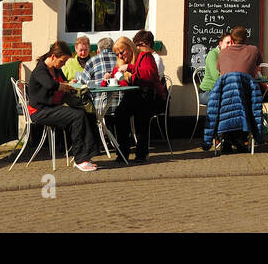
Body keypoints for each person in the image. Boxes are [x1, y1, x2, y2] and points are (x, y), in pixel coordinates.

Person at [27, 40, 100, 172]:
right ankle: (80, 159)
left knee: (88, 113)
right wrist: (65, 86)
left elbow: (62, 82)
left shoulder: (56, 69)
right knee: (77, 116)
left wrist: (69, 83)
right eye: (63, 61)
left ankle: (88, 154)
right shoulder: (40, 70)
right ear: (53, 56)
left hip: (53, 107)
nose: (64, 64)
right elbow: (50, 85)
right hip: (40, 111)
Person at [113, 30, 166, 162]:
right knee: (119, 114)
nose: (120, 55)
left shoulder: (145, 56)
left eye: (122, 52)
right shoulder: (121, 63)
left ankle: (141, 154)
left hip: (149, 95)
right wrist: (111, 77)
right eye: (117, 54)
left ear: (130, 48)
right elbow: (124, 82)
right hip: (133, 95)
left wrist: (130, 68)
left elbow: (149, 75)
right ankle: (122, 152)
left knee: (141, 117)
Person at [76, 37, 119, 117]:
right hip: (121, 105)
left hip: (100, 107)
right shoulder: (120, 58)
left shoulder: (92, 61)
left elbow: (83, 83)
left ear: (98, 50)